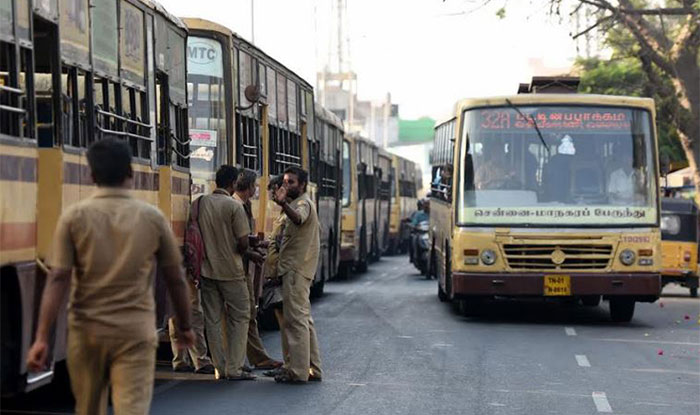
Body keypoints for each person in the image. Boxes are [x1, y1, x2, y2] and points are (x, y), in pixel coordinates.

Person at [26, 138, 195, 415]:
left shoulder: (73, 217)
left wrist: (42, 337)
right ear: (130, 172)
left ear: (91, 175)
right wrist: (185, 327)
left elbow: (58, 279)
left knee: (89, 408)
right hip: (135, 331)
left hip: (86, 331)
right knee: (132, 408)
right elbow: (175, 278)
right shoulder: (152, 218)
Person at [198, 165, 255, 381]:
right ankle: (234, 368)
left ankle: (219, 368)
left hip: (206, 270)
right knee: (240, 317)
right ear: (233, 183)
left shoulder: (200, 203)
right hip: (231, 271)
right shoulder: (234, 207)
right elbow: (242, 242)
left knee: (212, 319)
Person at [272, 166, 322, 383]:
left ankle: (298, 372)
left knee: (295, 321)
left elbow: (299, 219)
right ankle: (311, 368)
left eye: (291, 182)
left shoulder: (302, 203)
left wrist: (283, 203)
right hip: (294, 268)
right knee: (302, 320)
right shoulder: (294, 204)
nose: (286, 185)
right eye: (285, 181)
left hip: (296, 270)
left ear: (302, 185)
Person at [233, 169, 283, 371]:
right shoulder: (235, 205)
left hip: (244, 267)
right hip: (236, 267)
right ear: (248, 186)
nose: (255, 190)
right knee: (241, 315)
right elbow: (236, 241)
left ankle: (257, 357)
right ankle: (236, 361)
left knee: (249, 314)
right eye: (254, 186)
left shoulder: (244, 205)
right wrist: (252, 252)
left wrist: (258, 246)